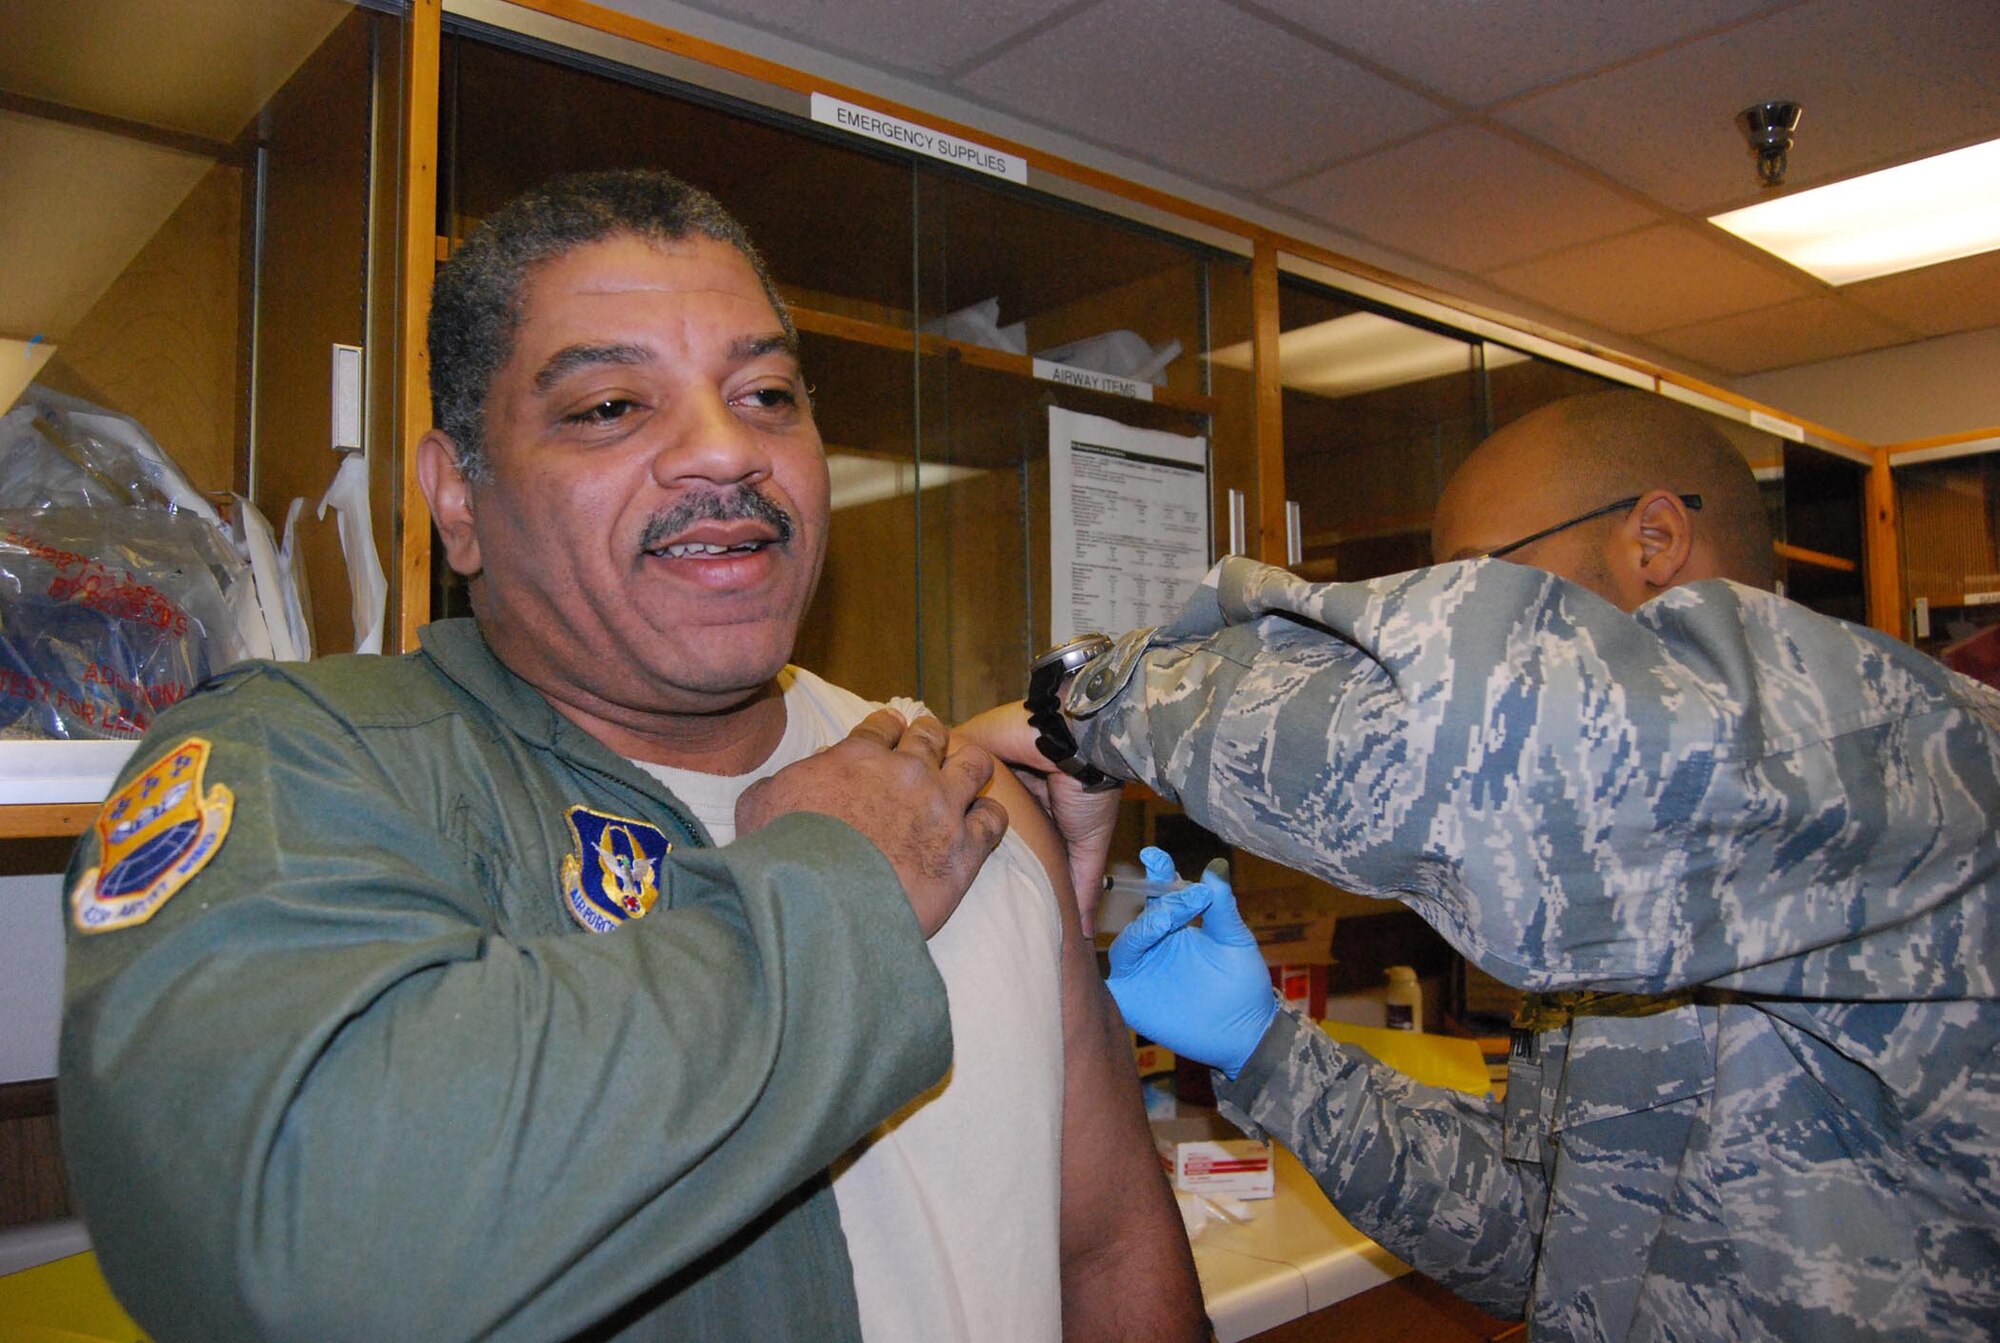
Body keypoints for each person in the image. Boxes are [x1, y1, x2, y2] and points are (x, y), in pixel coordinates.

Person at [59, 169, 1203, 1343]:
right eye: (609, 406)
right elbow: (295, 1249)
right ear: (457, 499)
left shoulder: (953, 789)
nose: (724, 451)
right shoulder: (305, 766)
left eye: (765, 393)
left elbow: (1106, 1244)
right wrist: (837, 880)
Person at [964, 391, 2000, 1341]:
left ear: (1653, 537)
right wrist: (1273, 1056)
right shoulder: (1648, 887)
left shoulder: (1913, 756)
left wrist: (1096, 704)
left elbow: (1457, 736)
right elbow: (1548, 1239)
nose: (1445, 620)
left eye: (1472, 581)